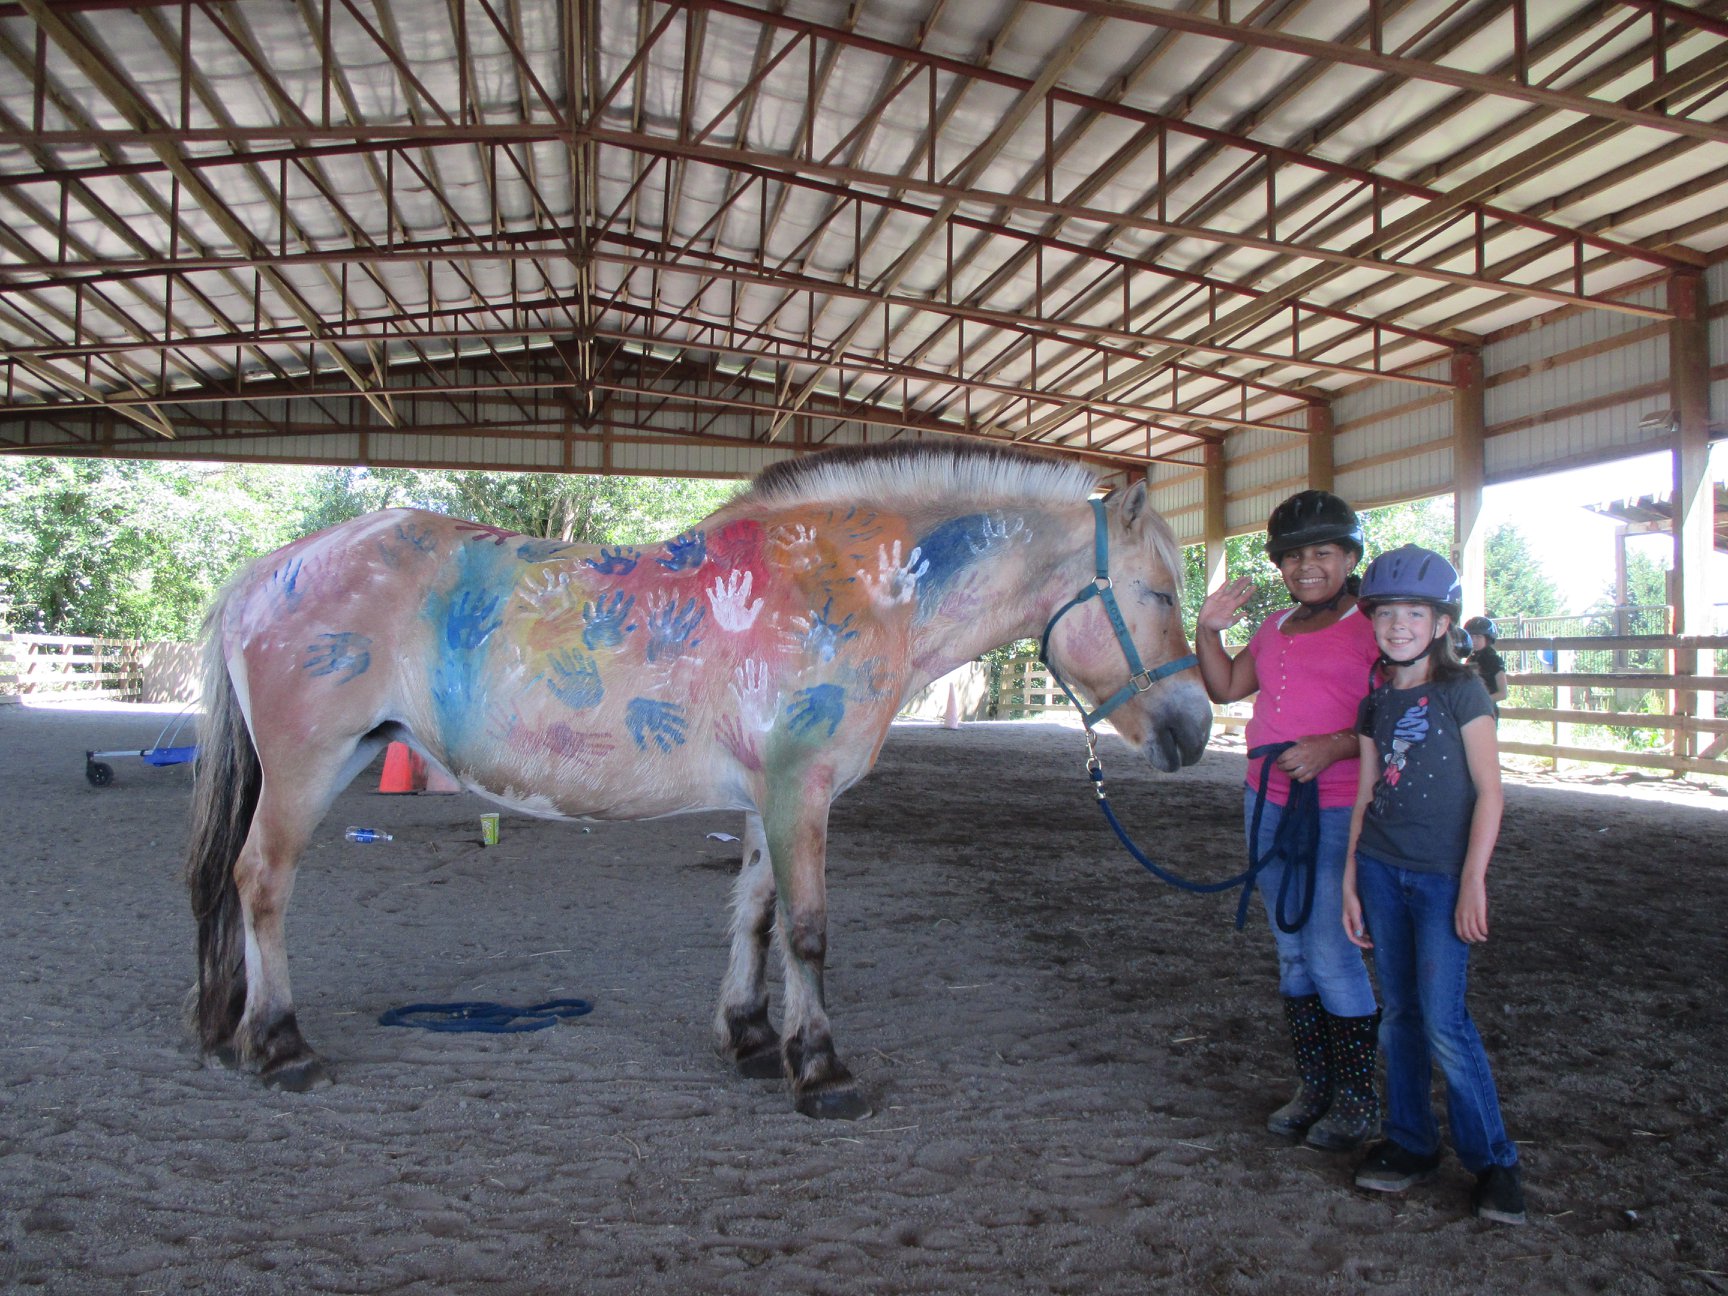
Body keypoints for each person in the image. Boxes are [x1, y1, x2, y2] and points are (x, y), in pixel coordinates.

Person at [1342, 546, 1526, 1226]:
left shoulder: (1463, 694)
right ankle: (1411, 1141)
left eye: (1413, 613)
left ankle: (1495, 1163)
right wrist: (1350, 881)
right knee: (1400, 1017)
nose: (1397, 626)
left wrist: (1474, 879)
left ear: (1441, 623)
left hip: (1443, 878)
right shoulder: (1374, 703)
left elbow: (1490, 792)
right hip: (1384, 873)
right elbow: (1364, 797)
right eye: (1387, 613)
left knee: (1446, 1021)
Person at [1196, 490, 1382, 1152]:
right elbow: (1224, 687)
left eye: (1323, 554)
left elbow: (1393, 718)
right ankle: (1316, 1088)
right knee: (1292, 947)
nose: (1308, 567)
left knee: (1332, 950)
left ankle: (1358, 1097)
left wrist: (1333, 746)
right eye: (1295, 557)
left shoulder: (1373, 627)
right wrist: (1209, 628)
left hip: (1336, 804)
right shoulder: (1274, 627)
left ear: (1350, 558)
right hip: (1267, 799)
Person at [1464, 616, 1509, 707]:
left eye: (1478, 637)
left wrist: (1479, 701)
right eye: (1472, 637)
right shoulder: (1471, 657)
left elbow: (1503, 693)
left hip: (1487, 709)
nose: (1474, 641)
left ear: (1487, 639)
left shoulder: (1494, 660)